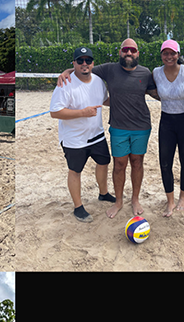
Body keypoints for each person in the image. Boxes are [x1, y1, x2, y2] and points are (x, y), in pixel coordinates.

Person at [58, 39, 157, 219]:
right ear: (120, 52)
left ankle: (135, 199)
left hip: (142, 126)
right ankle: (118, 201)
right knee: (119, 164)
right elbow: (83, 69)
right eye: (125, 49)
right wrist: (66, 71)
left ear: (137, 53)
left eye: (132, 50)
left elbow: (157, 92)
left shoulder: (146, 72)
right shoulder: (109, 69)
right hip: (118, 127)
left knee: (137, 162)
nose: (129, 53)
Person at [49, 46, 115, 223]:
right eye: (80, 60)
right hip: (74, 139)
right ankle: (78, 207)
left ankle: (103, 193)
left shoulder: (98, 81)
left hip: (96, 134)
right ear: (74, 63)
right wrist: (82, 113)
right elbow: (54, 112)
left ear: (93, 63)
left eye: (88, 60)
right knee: (75, 171)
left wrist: (124, 102)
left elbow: (103, 100)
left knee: (104, 162)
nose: (84, 64)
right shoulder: (65, 84)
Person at [152, 39, 184, 216]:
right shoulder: (156, 73)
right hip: (167, 122)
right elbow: (148, 89)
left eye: (173, 53)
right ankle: (170, 201)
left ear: (178, 55)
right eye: (166, 53)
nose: (169, 56)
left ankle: (182, 197)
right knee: (165, 162)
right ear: (162, 55)